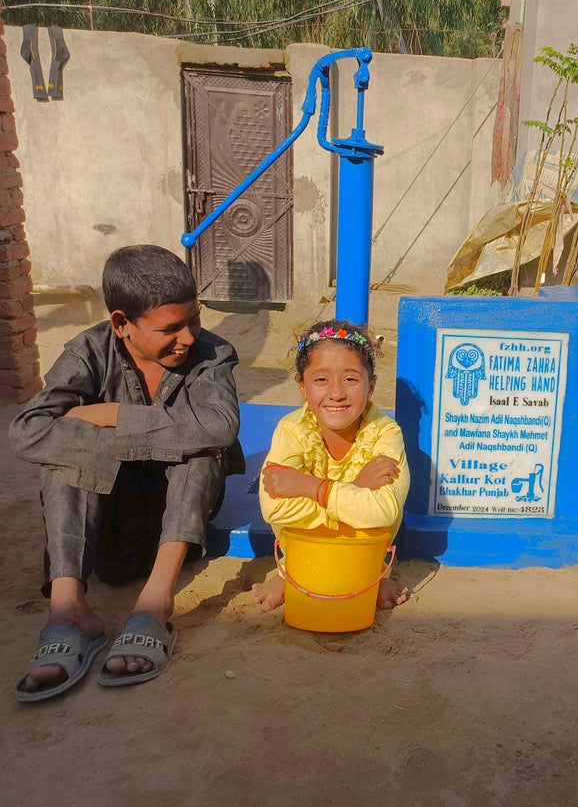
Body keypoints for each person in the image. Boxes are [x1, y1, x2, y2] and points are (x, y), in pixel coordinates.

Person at [11, 245, 243, 701]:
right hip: (106, 522)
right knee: (67, 456)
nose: (189, 337)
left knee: (200, 452)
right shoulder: (87, 351)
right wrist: (125, 440)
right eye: (169, 328)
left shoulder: (212, 354)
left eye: (193, 320)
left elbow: (221, 425)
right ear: (122, 324)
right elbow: (27, 432)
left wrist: (111, 415)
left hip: (178, 518)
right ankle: (68, 610)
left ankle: (155, 605)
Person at [251, 320, 410, 613]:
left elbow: (385, 511)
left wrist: (312, 488)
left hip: (366, 555)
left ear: (371, 385)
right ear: (302, 385)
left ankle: (374, 576)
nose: (336, 393)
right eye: (321, 380)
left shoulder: (386, 434)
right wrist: (356, 491)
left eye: (351, 379)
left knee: (377, 517)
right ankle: (291, 573)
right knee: (362, 510)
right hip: (302, 554)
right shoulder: (291, 430)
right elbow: (274, 509)